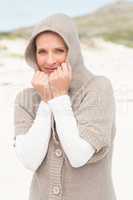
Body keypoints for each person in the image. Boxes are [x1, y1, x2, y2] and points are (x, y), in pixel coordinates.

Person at [13, 13, 117, 200]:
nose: (50, 60)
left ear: (73, 51)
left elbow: (78, 155)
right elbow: (29, 160)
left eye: (59, 51)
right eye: (42, 51)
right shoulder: (25, 99)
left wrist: (59, 97)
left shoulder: (98, 88)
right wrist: (46, 102)